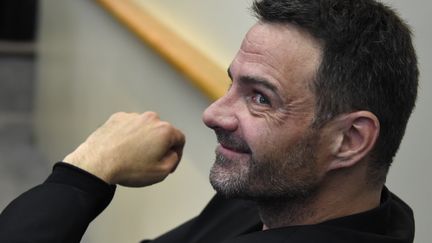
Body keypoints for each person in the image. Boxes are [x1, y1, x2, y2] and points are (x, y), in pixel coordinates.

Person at [0, 0, 418, 242]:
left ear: (349, 139)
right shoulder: (270, 195)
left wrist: (86, 172)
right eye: (231, 83)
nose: (213, 113)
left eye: (260, 98)